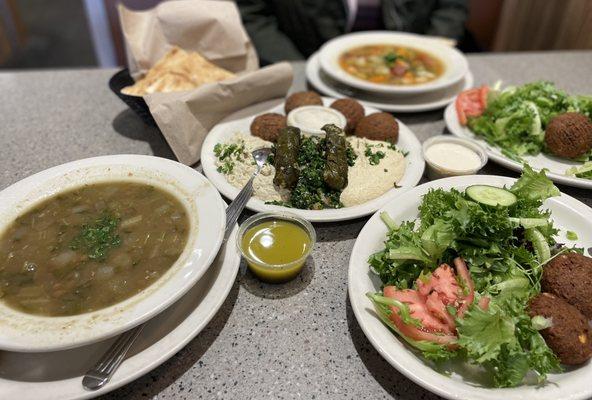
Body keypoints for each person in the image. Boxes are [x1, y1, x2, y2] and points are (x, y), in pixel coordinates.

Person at [236, 0, 469, 65]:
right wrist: (299, 69)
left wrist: (430, 54)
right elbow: (252, 13)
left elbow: (451, 6)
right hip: (305, 59)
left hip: (412, 65)